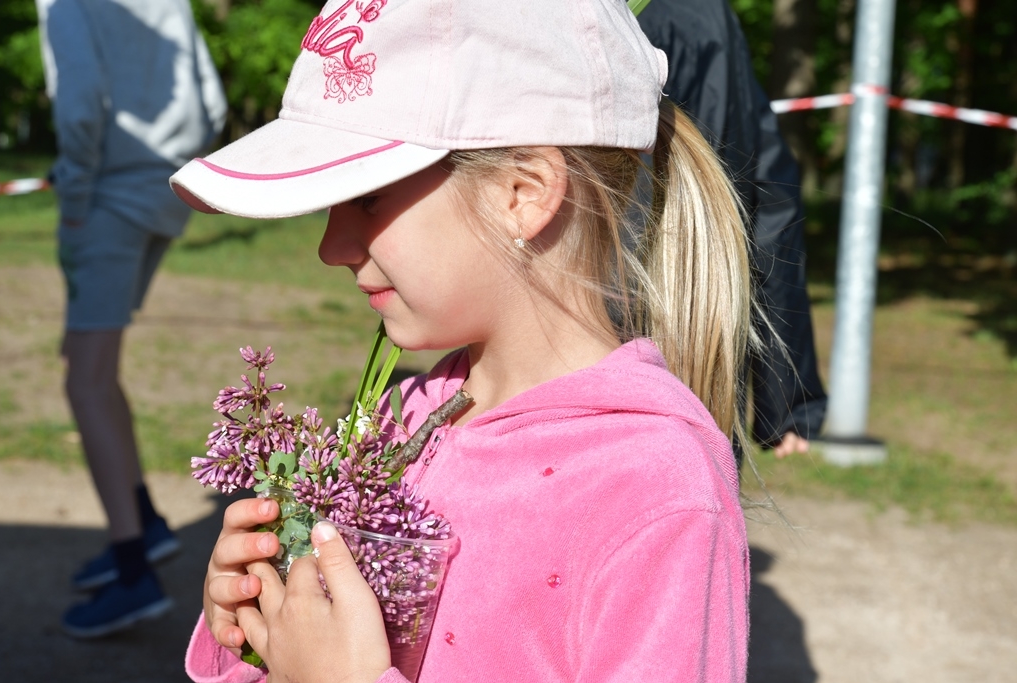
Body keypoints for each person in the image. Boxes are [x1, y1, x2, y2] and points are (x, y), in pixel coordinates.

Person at [172, 0, 750, 680]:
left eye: (366, 198)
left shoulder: (654, 493)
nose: (330, 246)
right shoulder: (398, 420)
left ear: (522, 192)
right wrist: (251, 632)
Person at [36, 0, 226, 637]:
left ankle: (132, 573)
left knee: (84, 379)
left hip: (108, 198)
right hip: (167, 194)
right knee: (93, 366)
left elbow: (81, 102)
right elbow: (214, 101)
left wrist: (77, 200)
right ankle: (141, 521)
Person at [637, 0, 828, 459]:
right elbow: (769, 197)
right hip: (698, 338)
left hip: (585, 335)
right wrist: (786, 397)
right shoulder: (706, 17)